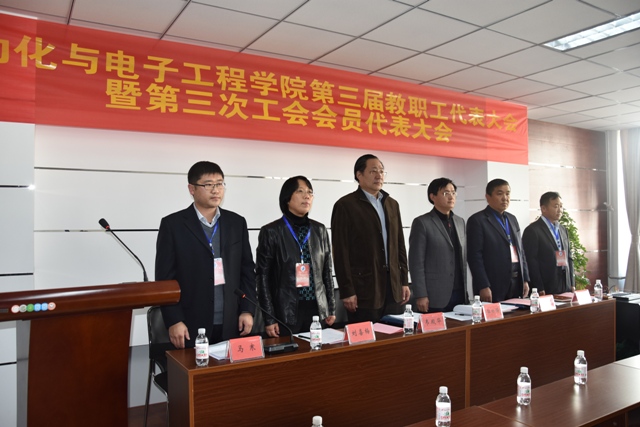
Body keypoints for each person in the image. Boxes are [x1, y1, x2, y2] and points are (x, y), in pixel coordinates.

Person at [155, 161, 256, 349]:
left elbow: (247, 271)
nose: (216, 190)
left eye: (220, 184)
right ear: (191, 189)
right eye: (208, 185)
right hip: (190, 324)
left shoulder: (236, 223)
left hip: (232, 322)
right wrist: (174, 320)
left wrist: (247, 310)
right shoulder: (173, 225)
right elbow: (164, 279)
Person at [331, 154, 410, 323]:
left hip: (393, 287)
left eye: (381, 171)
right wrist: (347, 290)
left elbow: (400, 245)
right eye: (373, 171)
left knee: (395, 334)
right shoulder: (345, 205)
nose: (379, 175)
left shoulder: (392, 204)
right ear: (359, 175)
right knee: (367, 336)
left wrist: (404, 280)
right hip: (364, 289)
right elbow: (340, 252)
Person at [256, 176, 336, 336]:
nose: (307, 196)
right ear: (287, 198)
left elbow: (327, 272)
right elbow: (263, 277)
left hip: (317, 311)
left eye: (310, 192)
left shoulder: (320, 230)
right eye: (300, 191)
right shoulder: (271, 232)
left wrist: (331, 308)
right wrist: (269, 318)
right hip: (285, 312)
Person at [409, 177, 468, 313]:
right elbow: (416, 262)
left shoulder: (460, 222)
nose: (451, 197)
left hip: (459, 292)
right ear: (433, 197)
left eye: (453, 193)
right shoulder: (422, 223)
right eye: (446, 193)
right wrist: (421, 294)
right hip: (434, 295)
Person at [467, 178, 530, 302]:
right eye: (500, 194)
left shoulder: (512, 219)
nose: (505, 198)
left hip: (516, 282)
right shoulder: (477, 220)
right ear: (488, 197)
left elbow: (521, 252)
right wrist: (483, 285)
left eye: (508, 194)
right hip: (493, 284)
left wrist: (525, 279)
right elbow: (474, 257)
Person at [522, 192, 575, 295]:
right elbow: (531, 261)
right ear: (544, 208)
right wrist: (538, 287)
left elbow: (569, 257)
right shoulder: (532, 230)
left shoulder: (563, 229)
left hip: (565, 284)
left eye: (561, 206)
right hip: (546, 286)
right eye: (556, 206)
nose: (560, 210)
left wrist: (572, 283)